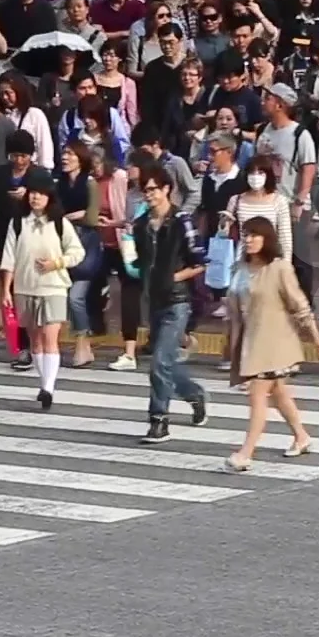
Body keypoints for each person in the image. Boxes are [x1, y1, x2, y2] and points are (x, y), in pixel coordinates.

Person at [223, 215, 319, 472]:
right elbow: (235, 314)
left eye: (255, 235)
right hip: (252, 343)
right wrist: (231, 348)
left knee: (258, 394)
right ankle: (301, 436)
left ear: (267, 239)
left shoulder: (279, 268)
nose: (249, 240)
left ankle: (245, 453)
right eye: (246, 234)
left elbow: (299, 304)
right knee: (278, 392)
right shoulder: (239, 269)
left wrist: (315, 335)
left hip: (276, 343)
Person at [131, 164, 208, 443]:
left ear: (166, 189)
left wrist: (174, 276)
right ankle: (195, 395)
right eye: (145, 190)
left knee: (159, 362)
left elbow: (199, 262)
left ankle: (159, 420)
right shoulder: (140, 225)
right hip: (153, 299)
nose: (148, 195)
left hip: (177, 301)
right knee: (166, 365)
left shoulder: (181, 221)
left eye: (153, 189)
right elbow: (139, 260)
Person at [0, 172, 84, 409]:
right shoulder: (18, 223)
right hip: (25, 288)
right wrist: (6, 290)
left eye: (40, 193)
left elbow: (77, 253)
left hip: (54, 287)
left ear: (49, 197)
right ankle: (43, 382)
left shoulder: (59, 223)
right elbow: (9, 259)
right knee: (35, 340)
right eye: (32, 193)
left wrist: (56, 263)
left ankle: (48, 387)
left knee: (49, 337)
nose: (35, 198)